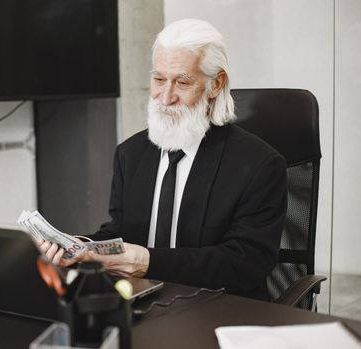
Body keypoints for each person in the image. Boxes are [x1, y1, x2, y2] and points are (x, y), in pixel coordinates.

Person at [40, 18, 287, 301]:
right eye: (158, 79)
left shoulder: (260, 165)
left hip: (217, 306)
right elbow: (120, 231)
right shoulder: (130, 154)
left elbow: (245, 264)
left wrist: (147, 262)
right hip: (142, 301)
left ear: (216, 84)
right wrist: (81, 247)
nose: (166, 97)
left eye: (182, 82)